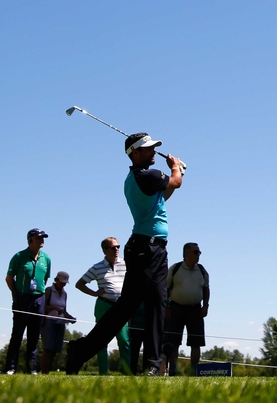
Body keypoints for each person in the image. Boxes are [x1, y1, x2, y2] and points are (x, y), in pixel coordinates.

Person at [66, 132, 184, 376]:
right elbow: (175, 183)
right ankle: (83, 350)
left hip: (153, 249)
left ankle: (151, 364)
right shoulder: (146, 175)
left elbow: (164, 195)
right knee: (131, 308)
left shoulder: (139, 178)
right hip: (147, 249)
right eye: (148, 148)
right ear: (134, 153)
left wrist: (175, 173)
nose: (153, 151)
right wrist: (176, 168)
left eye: (153, 147)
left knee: (153, 305)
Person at [76, 237, 130, 375]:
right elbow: (80, 284)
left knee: (124, 341)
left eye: (118, 246)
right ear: (105, 250)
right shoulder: (97, 267)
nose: (117, 249)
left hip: (121, 307)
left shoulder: (126, 264)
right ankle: (103, 372)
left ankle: (126, 373)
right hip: (103, 305)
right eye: (113, 247)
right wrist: (94, 293)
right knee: (101, 342)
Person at [4, 228, 52, 375]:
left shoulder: (46, 258)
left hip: (39, 298)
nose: (42, 240)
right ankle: (10, 367)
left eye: (43, 237)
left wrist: (38, 292)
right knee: (17, 334)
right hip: (22, 298)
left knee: (34, 335)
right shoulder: (19, 256)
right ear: (30, 240)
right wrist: (16, 293)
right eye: (39, 238)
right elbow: (9, 278)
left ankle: (31, 367)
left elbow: (45, 279)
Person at [164, 242, 210, 376]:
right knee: (174, 341)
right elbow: (166, 289)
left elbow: (206, 289)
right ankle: (172, 369)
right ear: (186, 254)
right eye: (196, 252)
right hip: (176, 309)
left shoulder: (202, 270)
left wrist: (205, 305)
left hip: (196, 310)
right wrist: (167, 307)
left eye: (199, 252)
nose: (198, 255)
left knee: (196, 342)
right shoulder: (175, 269)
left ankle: (194, 371)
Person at [41, 271, 75, 374]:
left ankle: (48, 371)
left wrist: (70, 318)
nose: (63, 284)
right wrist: (54, 308)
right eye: (62, 282)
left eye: (65, 283)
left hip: (60, 322)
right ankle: (43, 372)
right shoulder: (49, 290)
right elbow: (42, 307)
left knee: (55, 350)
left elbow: (64, 310)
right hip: (48, 321)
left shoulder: (65, 294)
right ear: (57, 280)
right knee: (48, 348)